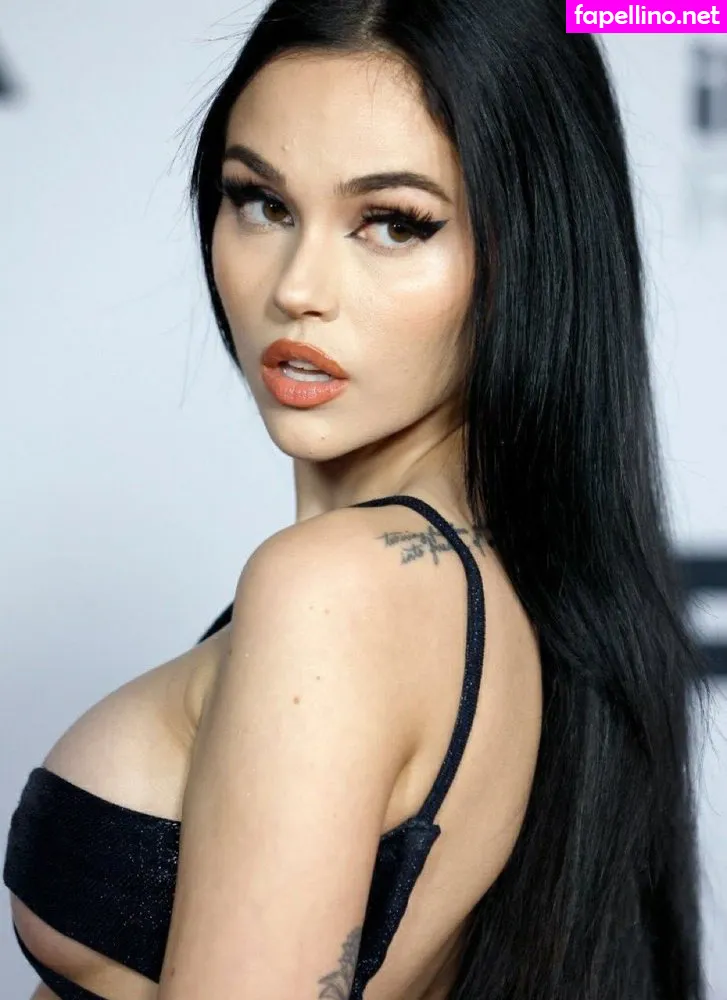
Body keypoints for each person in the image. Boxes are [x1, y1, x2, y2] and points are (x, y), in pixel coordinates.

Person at [3, 0, 710, 998]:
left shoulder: (335, 590)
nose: (297, 287)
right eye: (261, 202)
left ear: (530, 250)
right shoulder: (489, 588)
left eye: (393, 222)